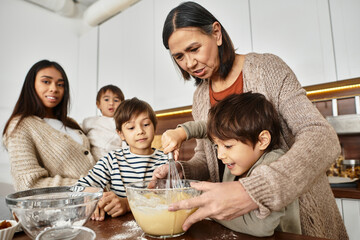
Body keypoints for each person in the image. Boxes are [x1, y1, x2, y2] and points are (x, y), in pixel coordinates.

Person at [154, 1, 347, 239]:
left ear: (216, 33)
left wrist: (253, 191)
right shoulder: (200, 97)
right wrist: (181, 171)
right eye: (179, 57)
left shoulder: (267, 69)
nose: (189, 63)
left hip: (299, 227)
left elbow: (321, 137)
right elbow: (209, 161)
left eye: (194, 49)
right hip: (240, 229)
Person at [2, 60, 97, 191]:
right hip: (65, 208)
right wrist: (83, 188)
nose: (54, 89)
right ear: (31, 85)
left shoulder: (71, 123)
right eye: (46, 81)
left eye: (60, 84)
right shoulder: (20, 126)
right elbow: (28, 184)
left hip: (101, 203)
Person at [77, 97, 168, 221]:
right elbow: (78, 188)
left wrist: (127, 204)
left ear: (155, 126)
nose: (140, 131)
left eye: (146, 124)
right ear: (121, 134)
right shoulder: (112, 160)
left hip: (157, 223)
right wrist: (94, 198)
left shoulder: (166, 161)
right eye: (131, 128)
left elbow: (172, 197)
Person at [82, 84, 125, 161]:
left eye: (116, 100)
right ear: (98, 104)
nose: (111, 103)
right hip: (92, 158)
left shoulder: (123, 123)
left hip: (114, 159)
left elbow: (126, 144)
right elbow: (79, 134)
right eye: (106, 100)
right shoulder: (90, 121)